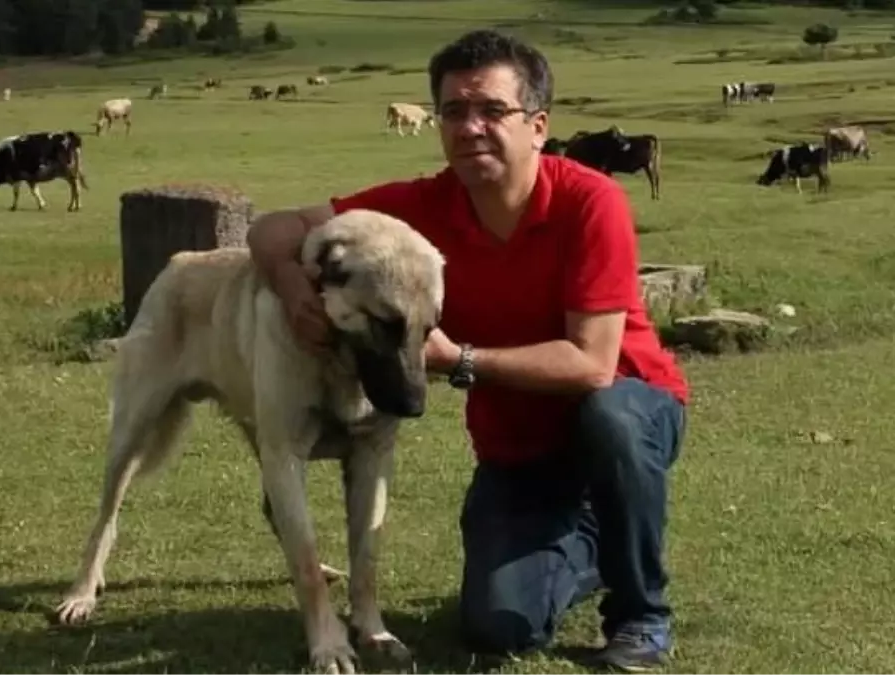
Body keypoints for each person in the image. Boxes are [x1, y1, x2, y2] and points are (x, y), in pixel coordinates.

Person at [245, 28, 689, 672]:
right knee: (495, 626)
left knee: (609, 417)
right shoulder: (420, 211)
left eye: (492, 110)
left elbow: (592, 364)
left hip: (629, 413)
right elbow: (273, 228)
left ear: (538, 126)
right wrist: (293, 292)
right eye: (453, 111)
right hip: (519, 448)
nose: (470, 127)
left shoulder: (591, 202)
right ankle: (594, 540)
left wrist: (459, 361)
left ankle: (640, 617)